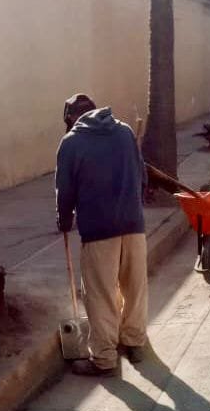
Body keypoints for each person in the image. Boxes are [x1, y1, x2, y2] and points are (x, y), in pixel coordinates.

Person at [56, 94, 149, 377]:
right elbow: (142, 175)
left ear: (71, 118)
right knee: (134, 287)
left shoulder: (71, 142)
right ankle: (134, 342)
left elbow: (65, 190)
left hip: (98, 230)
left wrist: (64, 220)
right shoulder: (125, 132)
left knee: (100, 294)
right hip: (134, 225)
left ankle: (104, 358)